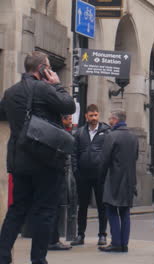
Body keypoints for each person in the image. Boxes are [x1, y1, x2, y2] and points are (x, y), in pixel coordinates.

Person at [0, 51, 75, 264]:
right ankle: (38, 260)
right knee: (45, 212)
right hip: (46, 161)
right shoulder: (44, 88)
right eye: (49, 67)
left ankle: (3, 256)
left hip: (19, 161)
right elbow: (69, 106)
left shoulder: (11, 92)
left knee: (17, 210)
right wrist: (57, 85)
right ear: (43, 68)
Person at [98, 110, 139, 253]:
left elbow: (104, 160)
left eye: (110, 118)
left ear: (115, 120)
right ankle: (124, 244)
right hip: (129, 180)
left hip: (114, 179)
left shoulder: (111, 136)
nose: (109, 121)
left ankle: (116, 242)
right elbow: (135, 158)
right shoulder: (134, 137)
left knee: (111, 210)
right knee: (125, 212)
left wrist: (101, 178)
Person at [71, 104, 110, 246]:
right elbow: (74, 154)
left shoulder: (106, 132)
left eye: (96, 115)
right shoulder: (80, 133)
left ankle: (102, 235)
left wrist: (105, 172)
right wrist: (76, 171)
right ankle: (80, 234)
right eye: (91, 115)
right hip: (83, 175)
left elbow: (109, 153)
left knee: (101, 206)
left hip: (100, 176)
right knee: (82, 207)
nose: (94, 118)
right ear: (86, 116)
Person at [48, 115, 75, 251]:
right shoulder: (60, 134)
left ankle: (53, 239)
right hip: (57, 175)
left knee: (57, 207)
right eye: (68, 119)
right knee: (55, 208)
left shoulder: (60, 132)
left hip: (59, 174)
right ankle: (52, 240)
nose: (71, 121)